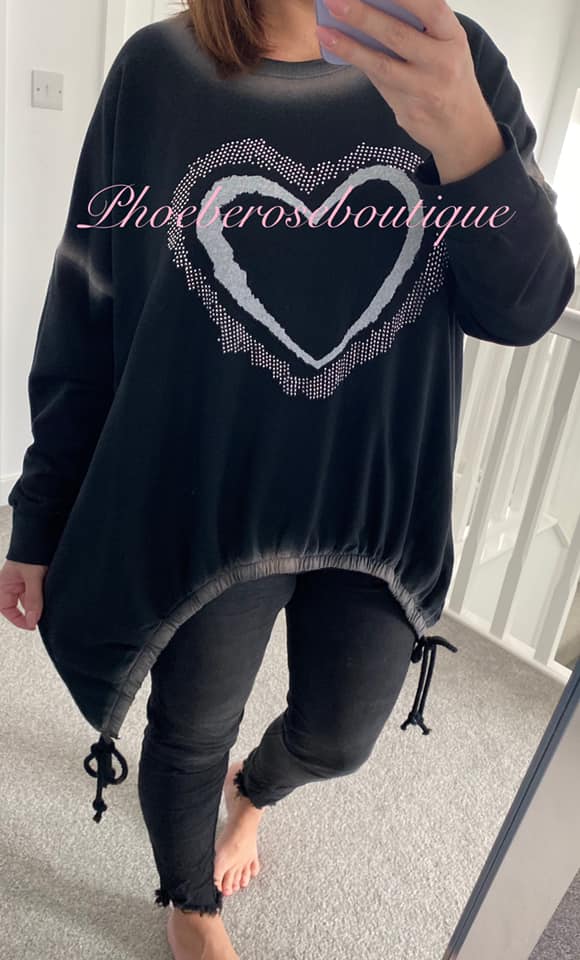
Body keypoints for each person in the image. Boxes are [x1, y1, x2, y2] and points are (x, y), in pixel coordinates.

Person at [0, 1, 575, 958]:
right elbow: (88, 303)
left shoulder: (456, 61)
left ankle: (255, 792)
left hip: (376, 503)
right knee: (190, 730)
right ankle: (191, 903)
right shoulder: (158, 71)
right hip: (208, 503)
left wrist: (468, 137)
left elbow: (525, 310)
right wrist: (39, 511)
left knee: (341, 735)